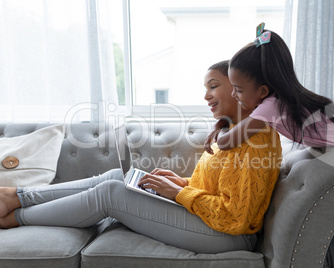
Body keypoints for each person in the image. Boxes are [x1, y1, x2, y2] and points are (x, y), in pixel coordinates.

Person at [0, 60, 282, 254]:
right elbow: (220, 188)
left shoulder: (255, 140)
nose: (206, 95)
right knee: (116, 177)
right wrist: (182, 184)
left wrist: (177, 194)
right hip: (214, 224)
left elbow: (235, 219)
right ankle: (17, 195)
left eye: (213, 86)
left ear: (239, 87)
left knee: (110, 193)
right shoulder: (232, 131)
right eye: (206, 87)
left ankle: (14, 217)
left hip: (230, 237)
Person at [204, 23, 334, 267]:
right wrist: (220, 122)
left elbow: (228, 142)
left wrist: (217, 128)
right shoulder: (279, 101)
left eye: (238, 90)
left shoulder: (269, 108)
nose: (234, 96)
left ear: (262, 90)